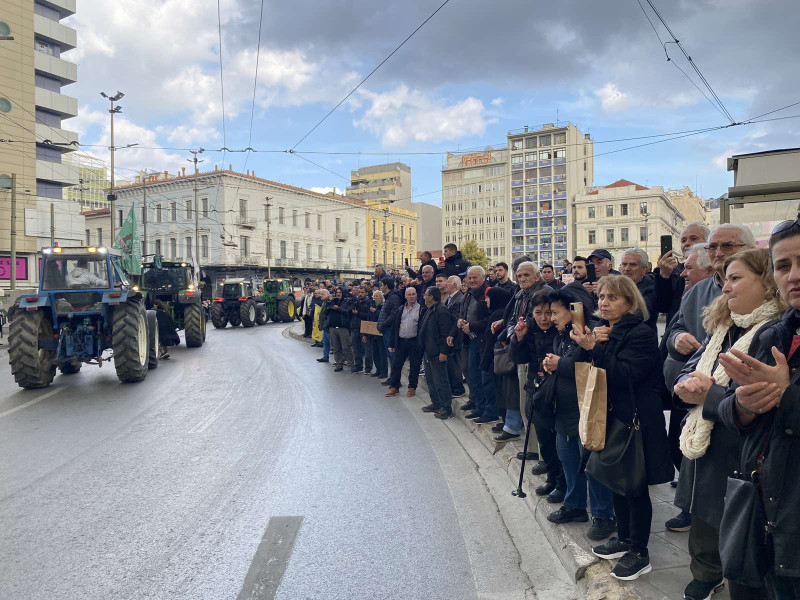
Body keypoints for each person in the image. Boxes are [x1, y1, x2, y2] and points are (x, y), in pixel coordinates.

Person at [671, 248, 784, 600]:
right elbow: (692, 365)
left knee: (738, 530)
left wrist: (709, 395)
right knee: (703, 517)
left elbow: (758, 401)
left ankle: (729, 573)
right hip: (706, 442)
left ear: (766, 283)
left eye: (736, 279)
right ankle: (705, 573)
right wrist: (685, 381)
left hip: (740, 452)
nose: (726, 289)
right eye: (724, 280)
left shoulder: (774, 333)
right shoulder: (722, 328)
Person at [716, 217, 800, 598]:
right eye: (783, 265)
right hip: (760, 514)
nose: (794, 275)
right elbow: (733, 409)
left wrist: (787, 397)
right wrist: (744, 406)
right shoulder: (775, 333)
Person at [572, 275, 673, 582]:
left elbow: (626, 374)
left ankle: (639, 552)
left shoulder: (640, 333)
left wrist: (597, 347)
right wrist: (587, 344)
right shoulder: (607, 330)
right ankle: (624, 538)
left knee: (635, 486)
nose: (604, 302)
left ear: (630, 302)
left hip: (636, 420)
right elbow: (587, 366)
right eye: (601, 296)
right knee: (615, 479)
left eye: (612, 298)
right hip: (613, 417)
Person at [663, 224, 756, 531]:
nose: (717, 253)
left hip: (735, 414)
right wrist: (677, 342)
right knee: (696, 478)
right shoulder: (698, 291)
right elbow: (676, 330)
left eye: (727, 247)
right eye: (713, 247)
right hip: (695, 406)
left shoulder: (767, 296)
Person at [538, 288, 616, 541]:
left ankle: (603, 515)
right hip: (564, 409)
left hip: (586, 408)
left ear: (574, 310)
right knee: (569, 461)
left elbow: (585, 364)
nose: (550, 318)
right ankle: (575, 506)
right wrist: (552, 363)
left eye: (555, 312)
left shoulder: (590, 332)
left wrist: (557, 363)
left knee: (592, 464)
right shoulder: (562, 334)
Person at [510, 289, 564, 495]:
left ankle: (563, 482)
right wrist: (519, 338)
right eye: (538, 313)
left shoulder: (561, 330)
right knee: (544, 438)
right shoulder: (529, 328)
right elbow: (518, 358)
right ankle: (552, 478)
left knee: (558, 439)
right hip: (536, 388)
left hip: (557, 390)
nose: (544, 318)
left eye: (548, 312)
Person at [458, 266, 497, 423]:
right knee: (473, 376)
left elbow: (492, 318)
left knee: (485, 378)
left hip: (485, 342)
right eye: (469, 277)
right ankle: (480, 408)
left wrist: (472, 326)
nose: (472, 280)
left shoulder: (489, 293)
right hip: (472, 340)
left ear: (483, 278)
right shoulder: (468, 294)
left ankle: (490, 411)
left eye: (475, 278)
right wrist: (460, 320)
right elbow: (463, 313)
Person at [655, 223, 710, 325]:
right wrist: (664, 276)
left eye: (693, 238)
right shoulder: (676, 271)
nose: (687, 243)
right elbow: (663, 306)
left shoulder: (717, 270)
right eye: (683, 241)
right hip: (676, 334)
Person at [419, 287, 456, 419]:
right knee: (431, 380)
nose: (424, 296)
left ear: (431, 297)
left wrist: (443, 351)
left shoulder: (441, 310)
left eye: (426, 295)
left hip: (437, 353)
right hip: (429, 351)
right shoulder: (431, 309)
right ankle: (436, 403)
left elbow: (445, 333)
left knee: (441, 382)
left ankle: (447, 409)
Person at [479, 286, 512, 430]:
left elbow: (492, 338)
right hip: (494, 357)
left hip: (497, 358)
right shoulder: (498, 313)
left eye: (489, 297)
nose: (486, 300)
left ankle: (506, 422)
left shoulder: (499, 314)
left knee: (500, 391)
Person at [385, 287, 423, 397]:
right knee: (396, 365)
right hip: (401, 342)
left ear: (416, 295)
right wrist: (392, 343)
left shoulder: (421, 309)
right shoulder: (401, 308)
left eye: (413, 294)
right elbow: (395, 326)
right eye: (409, 294)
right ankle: (394, 387)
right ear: (405, 296)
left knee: (415, 365)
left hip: (415, 342)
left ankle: (412, 387)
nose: (411, 296)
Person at [619, 248, 658, 331]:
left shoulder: (652, 288)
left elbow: (637, 314)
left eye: (633, 265)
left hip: (641, 339)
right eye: (624, 264)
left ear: (644, 269)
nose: (627, 268)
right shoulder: (614, 286)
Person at [444, 275, 466, 399]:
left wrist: (451, 334)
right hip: (450, 336)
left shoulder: (459, 298)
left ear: (454, 285)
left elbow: (455, 319)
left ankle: (458, 388)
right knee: (451, 364)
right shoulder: (450, 298)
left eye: (448, 282)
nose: (446, 284)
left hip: (456, 337)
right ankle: (454, 387)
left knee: (456, 364)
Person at [378, 279, 404, 378]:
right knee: (390, 355)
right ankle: (393, 378)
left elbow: (394, 315)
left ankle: (395, 379)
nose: (381, 287)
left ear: (386, 286)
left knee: (392, 355)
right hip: (386, 329)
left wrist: (383, 324)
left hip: (390, 329)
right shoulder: (389, 297)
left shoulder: (394, 297)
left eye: (382, 285)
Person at [326, 287, 353, 373]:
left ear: (343, 293)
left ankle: (351, 364)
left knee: (346, 347)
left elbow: (348, 313)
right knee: (336, 348)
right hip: (333, 327)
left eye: (340, 292)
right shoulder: (333, 301)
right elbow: (326, 313)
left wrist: (338, 308)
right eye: (337, 292)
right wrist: (328, 307)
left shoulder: (347, 301)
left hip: (343, 327)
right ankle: (339, 364)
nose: (338, 294)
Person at [370, 290, 388, 379]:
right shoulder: (372, 306)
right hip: (373, 332)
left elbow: (382, 317)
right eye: (374, 296)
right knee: (375, 353)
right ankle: (378, 370)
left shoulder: (383, 307)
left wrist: (375, 311)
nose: (375, 298)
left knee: (382, 353)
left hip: (381, 333)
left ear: (381, 298)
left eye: (377, 296)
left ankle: (384, 371)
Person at [348, 286, 365, 373]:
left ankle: (368, 367)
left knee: (366, 349)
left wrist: (358, 313)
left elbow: (367, 315)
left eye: (362, 292)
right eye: (360, 293)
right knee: (356, 348)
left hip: (363, 328)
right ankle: (358, 365)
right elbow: (349, 311)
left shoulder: (367, 302)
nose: (360, 294)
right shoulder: (355, 301)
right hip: (354, 326)